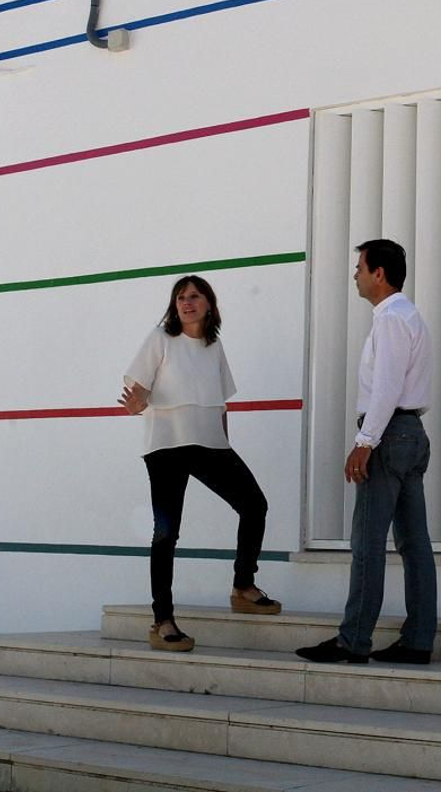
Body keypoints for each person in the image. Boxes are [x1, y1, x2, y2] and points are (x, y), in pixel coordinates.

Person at [121, 275, 280, 652]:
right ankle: (163, 621)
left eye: (194, 296)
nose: (187, 303)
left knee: (254, 505)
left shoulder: (214, 346)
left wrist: (225, 444)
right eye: (180, 298)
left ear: (209, 303)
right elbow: (139, 388)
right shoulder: (160, 338)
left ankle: (243, 586)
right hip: (167, 445)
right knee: (166, 533)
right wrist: (137, 402)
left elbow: (220, 403)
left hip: (210, 443)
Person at [296, 239, 437, 665]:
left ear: (379, 273)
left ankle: (353, 640)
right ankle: (418, 640)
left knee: (368, 542)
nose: (355, 274)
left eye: (359, 267)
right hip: (410, 434)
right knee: (414, 543)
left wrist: (364, 443)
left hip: (390, 435)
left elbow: (387, 387)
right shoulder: (407, 316)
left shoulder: (392, 319)